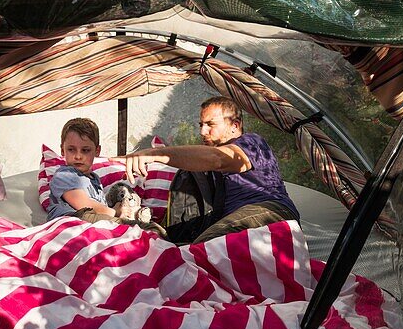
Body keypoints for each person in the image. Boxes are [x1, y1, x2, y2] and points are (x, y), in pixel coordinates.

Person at [119, 97, 299, 242]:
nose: (203, 131)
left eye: (210, 124)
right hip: (230, 225)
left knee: (200, 252)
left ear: (234, 126)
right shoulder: (205, 168)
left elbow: (218, 159)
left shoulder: (251, 142)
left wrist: (154, 154)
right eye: (200, 125)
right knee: (170, 250)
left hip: (271, 212)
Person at [48, 117, 166, 236]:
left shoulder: (94, 180)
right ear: (62, 150)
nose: (78, 156)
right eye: (71, 150)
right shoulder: (64, 175)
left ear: (97, 151)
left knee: (148, 230)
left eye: (85, 150)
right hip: (75, 219)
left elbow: (100, 207)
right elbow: (83, 204)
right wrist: (115, 211)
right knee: (144, 231)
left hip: (94, 220)